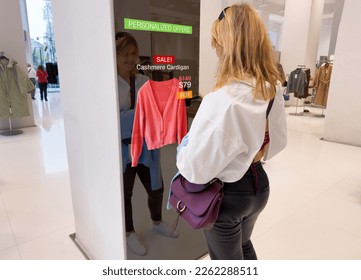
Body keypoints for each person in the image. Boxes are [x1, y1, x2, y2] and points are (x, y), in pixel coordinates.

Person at [175, 3, 287, 260]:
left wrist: (184, 145)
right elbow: (277, 143)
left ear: (226, 44)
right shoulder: (271, 87)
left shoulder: (222, 97)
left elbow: (195, 169)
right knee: (244, 245)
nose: (214, 49)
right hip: (259, 186)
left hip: (228, 196)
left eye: (216, 41)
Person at [115, 31, 178, 256]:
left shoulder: (144, 81)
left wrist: (129, 116)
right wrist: (137, 116)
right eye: (125, 53)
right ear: (114, 55)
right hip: (122, 149)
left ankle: (157, 222)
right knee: (126, 193)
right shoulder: (109, 85)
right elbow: (112, 120)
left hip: (147, 146)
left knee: (156, 188)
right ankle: (129, 232)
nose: (130, 58)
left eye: (134, 53)